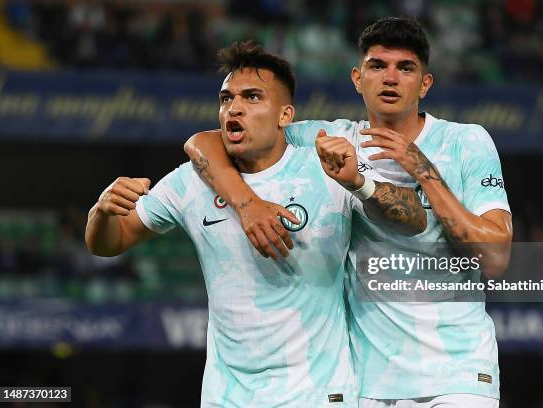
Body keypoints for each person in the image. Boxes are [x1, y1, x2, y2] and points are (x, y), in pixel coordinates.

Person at [184, 17, 512, 408]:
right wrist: (247, 204)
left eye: (405, 68)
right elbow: (207, 141)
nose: (390, 78)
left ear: (425, 84)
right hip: (370, 383)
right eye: (378, 66)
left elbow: (495, 257)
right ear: (357, 78)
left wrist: (422, 171)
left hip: (458, 375)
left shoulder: (465, 142)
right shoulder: (331, 140)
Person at [86, 41, 426, 407]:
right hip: (228, 396)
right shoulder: (191, 181)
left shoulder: (323, 167)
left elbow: (414, 219)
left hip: (317, 393)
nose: (234, 108)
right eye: (226, 99)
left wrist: (360, 182)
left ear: (285, 116)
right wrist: (102, 212)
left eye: (252, 98)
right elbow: (109, 242)